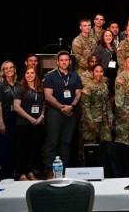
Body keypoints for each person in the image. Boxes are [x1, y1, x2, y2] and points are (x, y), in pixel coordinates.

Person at [43, 51, 82, 179]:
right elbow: (48, 96)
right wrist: (61, 107)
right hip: (55, 112)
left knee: (66, 142)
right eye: (62, 60)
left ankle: (64, 169)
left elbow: (78, 94)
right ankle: (49, 169)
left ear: (70, 62)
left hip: (70, 112)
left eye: (67, 60)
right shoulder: (51, 76)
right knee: (52, 141)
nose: (64, 62)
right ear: (58, 62)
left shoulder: (75, 76)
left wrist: (71, 107)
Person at [13, 65, 45, 181]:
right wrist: (30, 119)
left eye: (32, 73)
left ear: (36, 74)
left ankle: (30, 172)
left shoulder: (40, 88)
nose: (30, 75)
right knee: (23, 149)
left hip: (37, 123)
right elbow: (16, 107)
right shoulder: (20, 88)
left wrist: (41, 116)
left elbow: (44, 104)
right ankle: (21, 174)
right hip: (23, 123)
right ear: (24, 75)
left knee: (33, 149)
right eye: (27, 73)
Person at [0, 60, 19, 180]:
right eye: (6, 68)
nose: (9, 70)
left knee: (12, 148)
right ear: (2, 71)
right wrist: (1, 123)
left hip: (15, 118)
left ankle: (10, 175)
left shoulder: (17, 84)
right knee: (3, 149)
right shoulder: (0, 86)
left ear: (14, 69)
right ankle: (3, 176)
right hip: (4, 117)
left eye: (11, 67)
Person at [80, 64, 112, 145]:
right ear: (92, 72)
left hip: (103, 120)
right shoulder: (88, 87)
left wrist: (110, 117)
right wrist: (90, 122)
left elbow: (107, 103)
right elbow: (85, 106)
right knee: (90, 145)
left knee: (107, 143)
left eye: (101, 71)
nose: (99, 74)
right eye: (96, 71)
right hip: (92, 120)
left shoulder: (104, 86)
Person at [114, 55, 129, 144]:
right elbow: (118, 96)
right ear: (125, 64)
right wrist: (121, 112)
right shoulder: (121, 77)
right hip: (124, 113)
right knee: (121, 140)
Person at [94, 30, 119, 96]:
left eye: (110, 36)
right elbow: (97, 63)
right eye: (106, 36)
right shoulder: (99, 48)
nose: (108, 37)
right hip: (105, 75)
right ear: (103, 37)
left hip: (114, 74)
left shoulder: (113, 47)